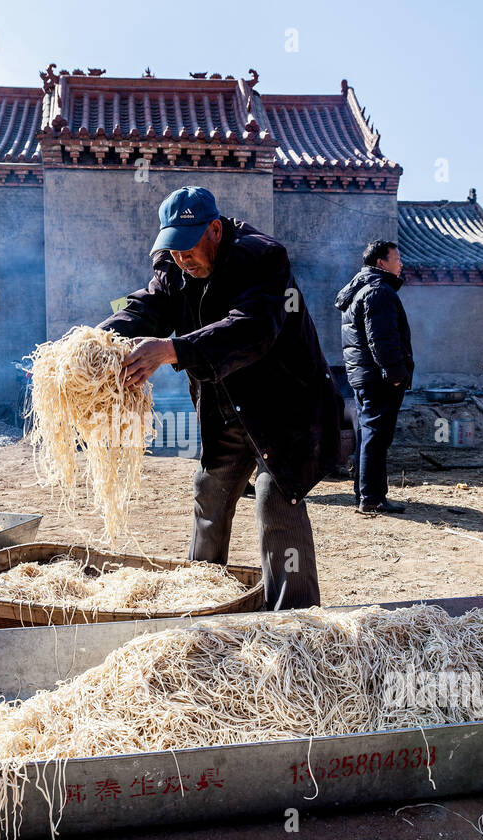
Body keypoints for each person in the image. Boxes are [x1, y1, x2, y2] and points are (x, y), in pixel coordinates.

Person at [100, 186, 341, 610]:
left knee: (276, 498)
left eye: (188, 248)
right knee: (209, 491)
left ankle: (295, 619)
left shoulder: (263, 258)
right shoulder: (176, 264)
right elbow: (147, 305)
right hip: (226, 402)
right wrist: (97, 342)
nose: (181, 259)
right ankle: (202, 599)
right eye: (172, 250)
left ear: (214, 229)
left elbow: (251, 328)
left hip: (284, 405)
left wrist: (173, 350)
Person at [334, 240, 414, 513]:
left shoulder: (362, 289)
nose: (401, 263)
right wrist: (394, 374)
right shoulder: (378, 291)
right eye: (397, 258)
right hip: (378, 377)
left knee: (368, 434)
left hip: (364, 376)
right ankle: (372, 498)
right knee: (376, 437)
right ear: (381, 263)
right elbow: (382, 340)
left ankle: (366, 494)